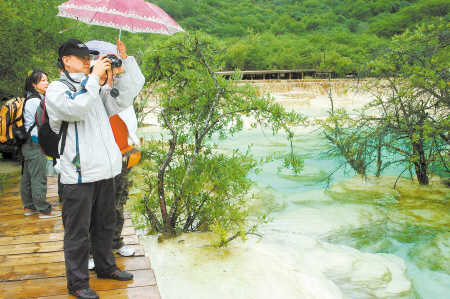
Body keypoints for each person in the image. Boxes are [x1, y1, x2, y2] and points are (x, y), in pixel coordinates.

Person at [45, 39, 140, 299]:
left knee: (105, 225)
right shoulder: (56, 89)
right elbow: (74, 109)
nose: (88, 60)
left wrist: (124, 66)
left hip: (105, 171)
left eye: (90, 57)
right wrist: (94, 79)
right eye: (81, 56)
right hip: (77, 175)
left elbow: (124, 99)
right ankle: (77, 283)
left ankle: (106, 267)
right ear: (66, 60)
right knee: (77, 233)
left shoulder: (94, 88)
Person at [86, 41, 144, 261]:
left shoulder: (119, 93)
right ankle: (91, 251)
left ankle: (116, 241)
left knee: (118, 202)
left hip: (121, 157)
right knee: (95, 207)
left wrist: (124, 59)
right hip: (98, 159)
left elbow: (136, 82)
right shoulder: (90, 93)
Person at [20, 69, 62, 219]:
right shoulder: (36, 101)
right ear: (33, 84)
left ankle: (29, 207)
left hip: (26, 144)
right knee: (38, 177)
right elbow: (41, 125)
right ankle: (44, 210)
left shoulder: (28, 98)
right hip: (34, 143)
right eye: (42, 80)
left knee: (27, 176)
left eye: (47, 79)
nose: (47, 82)